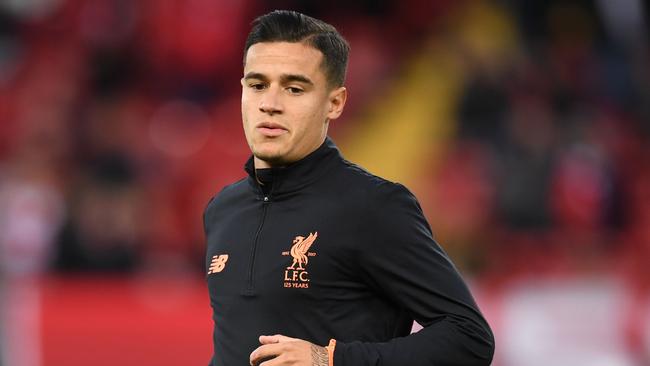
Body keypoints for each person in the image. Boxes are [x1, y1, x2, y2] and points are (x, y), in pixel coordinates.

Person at [204, 10, 494, 366]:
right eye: (258, 85)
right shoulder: (222, 210)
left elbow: (469, 337)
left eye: (294, 88)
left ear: (335, 103)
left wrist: (331, 359)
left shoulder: (374, 206)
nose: (270, 104)